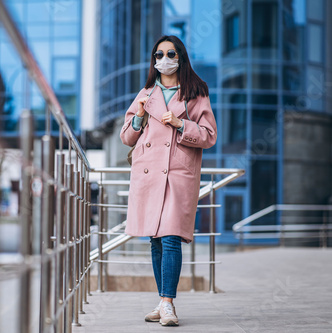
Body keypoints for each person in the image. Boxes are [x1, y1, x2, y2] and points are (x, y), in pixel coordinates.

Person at [120, 35, 217, 326]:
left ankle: (168, 303)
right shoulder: (146, 93)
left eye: (170, 53)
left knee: (172, 237)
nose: (164, 59)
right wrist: (138, 118)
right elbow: (126, 137)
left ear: (180, 57)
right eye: (158, 54)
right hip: (149, 174)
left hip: (177, 174)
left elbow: (209, 135)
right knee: (156, 241)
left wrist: (180, 124)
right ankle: (163, 300)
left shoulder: (196, 92)